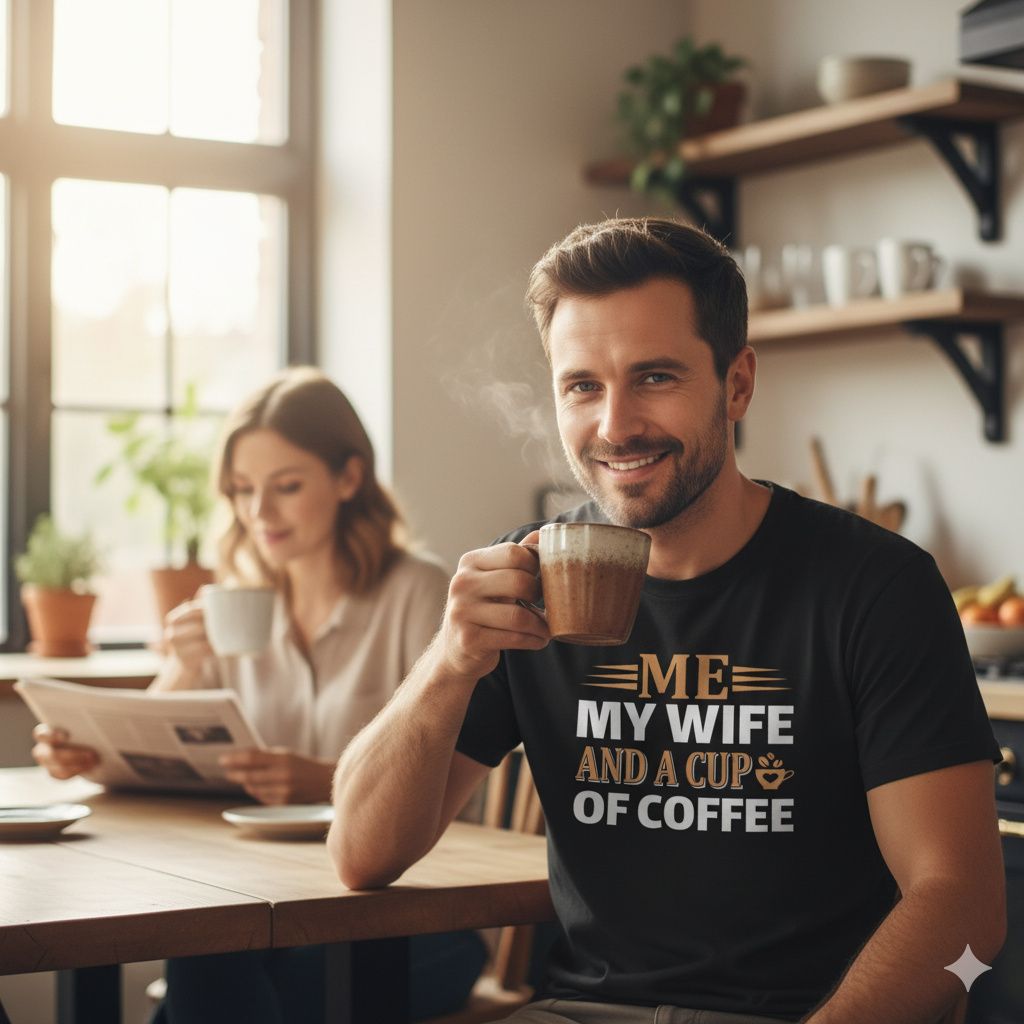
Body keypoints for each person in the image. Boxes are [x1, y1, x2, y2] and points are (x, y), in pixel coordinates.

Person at [329, 218, 1006, 1024]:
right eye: (582, 386)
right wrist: (448, 662)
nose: (615, 425)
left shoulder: (876, 588)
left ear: (737, 384)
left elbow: (968, 913)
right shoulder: (527, 581)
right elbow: (361, 856)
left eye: (654, 377)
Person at [32, 366, 487, 1023]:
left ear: (349, 478)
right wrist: (96, 741)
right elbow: (165, 754)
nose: (258, 513)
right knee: (208, 943)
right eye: (243, 490)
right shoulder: (231, 606)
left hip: (406, 916)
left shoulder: (417, 591)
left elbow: (454, 784)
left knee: (214, 968)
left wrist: (321, 780)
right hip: (263, 904)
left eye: (286, 487)